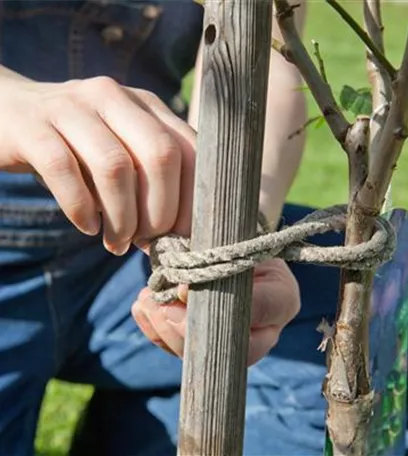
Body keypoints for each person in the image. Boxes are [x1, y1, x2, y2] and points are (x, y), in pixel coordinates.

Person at [0, 1, 345, 455]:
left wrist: (237, 230)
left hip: (135, 245)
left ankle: (132, 433)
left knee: (370, 306)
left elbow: (268, 65)